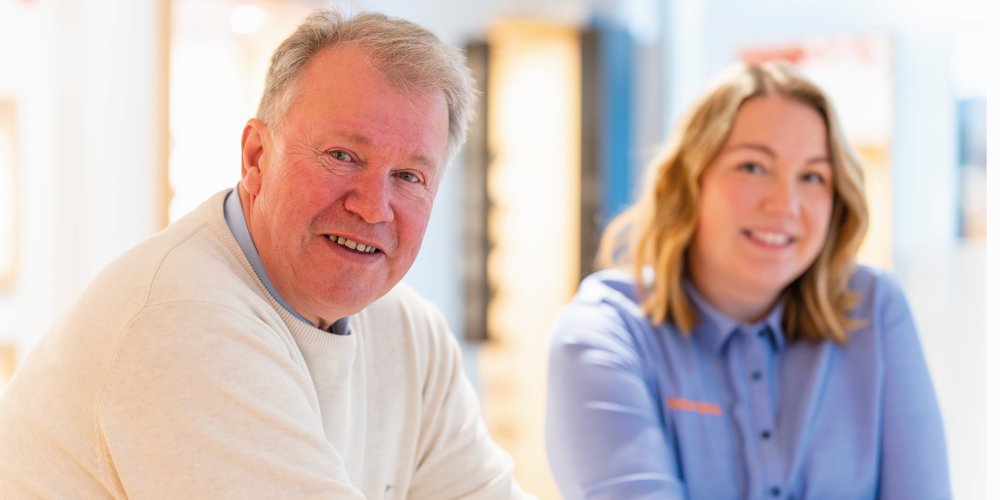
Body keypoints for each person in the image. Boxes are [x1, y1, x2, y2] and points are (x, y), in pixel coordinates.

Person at [0, 9, 532, 499]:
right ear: (256, 157)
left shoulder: (412, 335)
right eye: (342, 156)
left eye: (409, 177)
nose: (373, 207)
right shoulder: (184, 321)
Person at [545, 62, 950, 499]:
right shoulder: (604, 334)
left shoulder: (873, 308)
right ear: (689, 183)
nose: (785, 204)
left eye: (813, 176)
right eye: (753, 167)